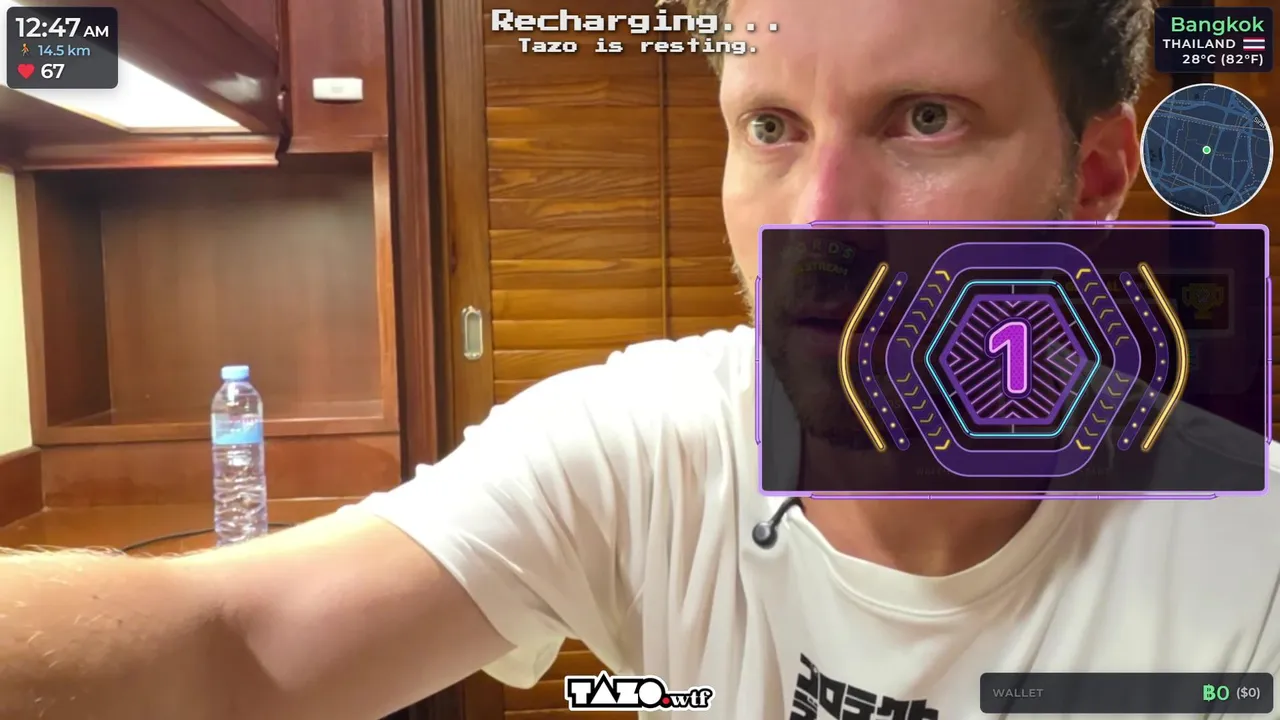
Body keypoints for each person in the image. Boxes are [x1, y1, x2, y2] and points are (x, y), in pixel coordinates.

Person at [2, 0, 1277, 718]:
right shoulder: (642, 448)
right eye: (769, 128)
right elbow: (228, 641)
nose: (816, 223)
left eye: (924, 119)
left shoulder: (1247, 560)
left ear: (1092, 179)